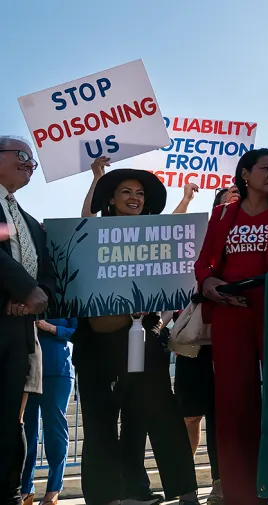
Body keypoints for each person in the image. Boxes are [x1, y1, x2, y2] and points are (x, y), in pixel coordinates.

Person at [73, 157, 199, 505]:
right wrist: (97, 179)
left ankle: (183, 492)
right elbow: (85, 221)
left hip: (145, 340)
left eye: (140, 193)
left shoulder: (154, 234)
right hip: (98, 343)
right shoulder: (95, 232)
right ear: (111, 199)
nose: (134, 197)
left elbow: (176, 230)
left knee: (159, 414)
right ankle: (107, 497)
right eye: (126, 191)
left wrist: (186, 200)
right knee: (100, 421)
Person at [194, 148, 268, 505]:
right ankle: (242, 494)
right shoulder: (222, 215)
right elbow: (204, 263)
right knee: (234, 406)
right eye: (265, 168)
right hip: (231, 313)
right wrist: (208, 282)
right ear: (244, 175)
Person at [0, 136, 54, 505]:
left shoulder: (30, 222)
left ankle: (9, 493)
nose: (29, 164)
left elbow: (47, 271)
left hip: (18, 332)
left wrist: (38, 297)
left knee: (9, 419)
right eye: (21, 155)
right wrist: (23, 288)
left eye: (32, 160)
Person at [170, 190, 231, 505]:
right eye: (230, 196)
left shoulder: (253, 240)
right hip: (194, 342)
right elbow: (169, 232)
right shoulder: (199, 237)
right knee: (190, 417)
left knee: (221, 418)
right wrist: (185, 201)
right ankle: (185, 483)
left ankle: (221, 483)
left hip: (230, 340)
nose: (236, 200)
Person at [20, 317, 77, 505]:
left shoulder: (68, 300)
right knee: (26, 431)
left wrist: (51, 328)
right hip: (28, 368)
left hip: (58, 367)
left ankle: (53, 490)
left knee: (54, 432)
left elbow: (77, 331)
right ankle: (25, 489)